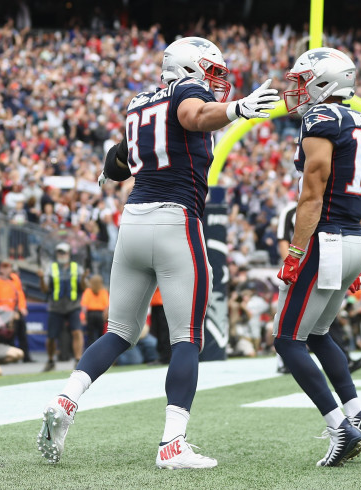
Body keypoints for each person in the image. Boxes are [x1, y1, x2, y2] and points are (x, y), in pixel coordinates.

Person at [37, 36, 279, 469]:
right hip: (175, 221)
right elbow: (193, 115)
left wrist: (106, 171)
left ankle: (66, 399)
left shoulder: (139, 101)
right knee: (187, 336)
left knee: (118, 330)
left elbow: (120, 160)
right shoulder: (188, 93)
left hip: (132, 223)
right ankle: (172, 443)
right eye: (210, 71)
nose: (215, 81)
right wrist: (235, 109)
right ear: (189, 69)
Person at [274, 47, 361, 468]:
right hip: (354, 238)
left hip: (327, 239)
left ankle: (340, 426)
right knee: (317, 333)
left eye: (302, 81)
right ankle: (358, 414)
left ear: (324, 82)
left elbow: (312, 190)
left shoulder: (322, 119)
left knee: (287, 339)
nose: (296, 90)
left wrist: (296, 251)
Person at [276, 199, 361, 374]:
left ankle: (344, 360)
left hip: (323, 264)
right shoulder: (290, 211)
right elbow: (283, 241)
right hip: (304, 266)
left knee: (324, 321)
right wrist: (291, 265)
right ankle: (285, 361)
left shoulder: (326, 207)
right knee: (291, 320)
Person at [37, 243, 88, 372]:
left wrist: (83, 278)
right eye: (59, 252)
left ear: (69, 254)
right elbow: (44, 289)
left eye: (64, 252)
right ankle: (50, 360)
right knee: (51, 337)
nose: (62, 255)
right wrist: (42, 278)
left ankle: (78, 360)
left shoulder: (77, 268)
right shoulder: (51, 268)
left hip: (73, 305)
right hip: (55, 307)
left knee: (77, 331)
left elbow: (83, 287)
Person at [0, 261, 31, 362]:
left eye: (7, 267)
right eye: (3, 267)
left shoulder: (14, 278)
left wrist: (22, 307)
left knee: (22, 333)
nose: (5, 270)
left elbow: (20, 294)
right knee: (5, 335)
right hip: (1, 313)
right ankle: (7, 358)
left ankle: (26, 357)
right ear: (0, 269)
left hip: (14, 311)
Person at [80, 274, 109, 349]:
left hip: (91, 315)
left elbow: (84, 306)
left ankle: (91, 352)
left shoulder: (88, 291)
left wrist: (83, 317)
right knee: (101, 336)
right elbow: (107, 306)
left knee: (91, 336)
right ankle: (101, 351)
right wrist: (105, 316)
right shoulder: (103, 291)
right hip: (100, 315)